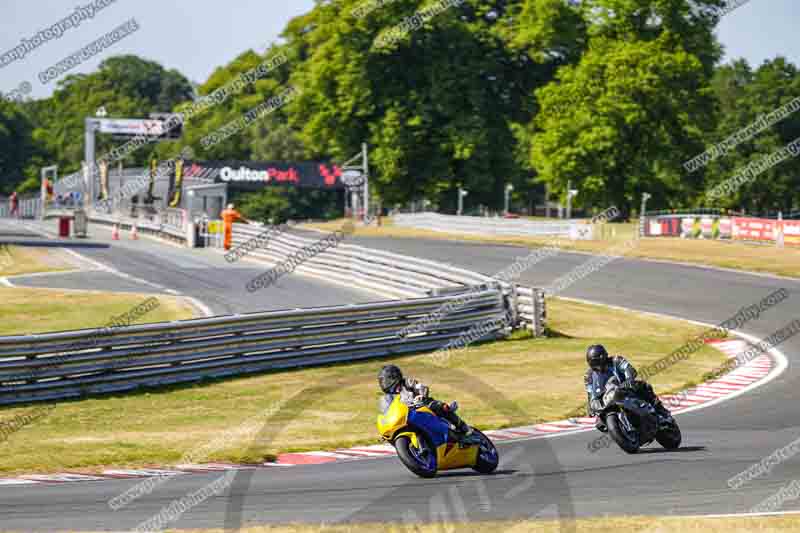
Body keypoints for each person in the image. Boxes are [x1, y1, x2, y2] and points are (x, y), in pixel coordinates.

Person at [583, 344, 672, 431]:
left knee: (642, 386)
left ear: (603, 357)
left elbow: (628, 369)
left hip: (625, 389)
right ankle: (622, 430)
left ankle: (661, 412)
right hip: (607, 398)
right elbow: (590, 393)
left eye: (596, 361)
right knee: (599, 423)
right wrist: (590, 406)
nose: (596, 365)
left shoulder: (616, 360)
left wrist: (629, 380)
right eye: (593, 362)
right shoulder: (588, 376)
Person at [378, 364, 473, 441]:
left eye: (387, 381)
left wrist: (421, 395)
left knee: (441, 407)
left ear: (395, 376)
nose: (386, 384)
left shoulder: (407, 382)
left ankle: (463, 427)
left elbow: (422, 387)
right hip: (407, 416)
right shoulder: (389, 397)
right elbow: (388, 411)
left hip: (422, 406)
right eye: (383, 382)